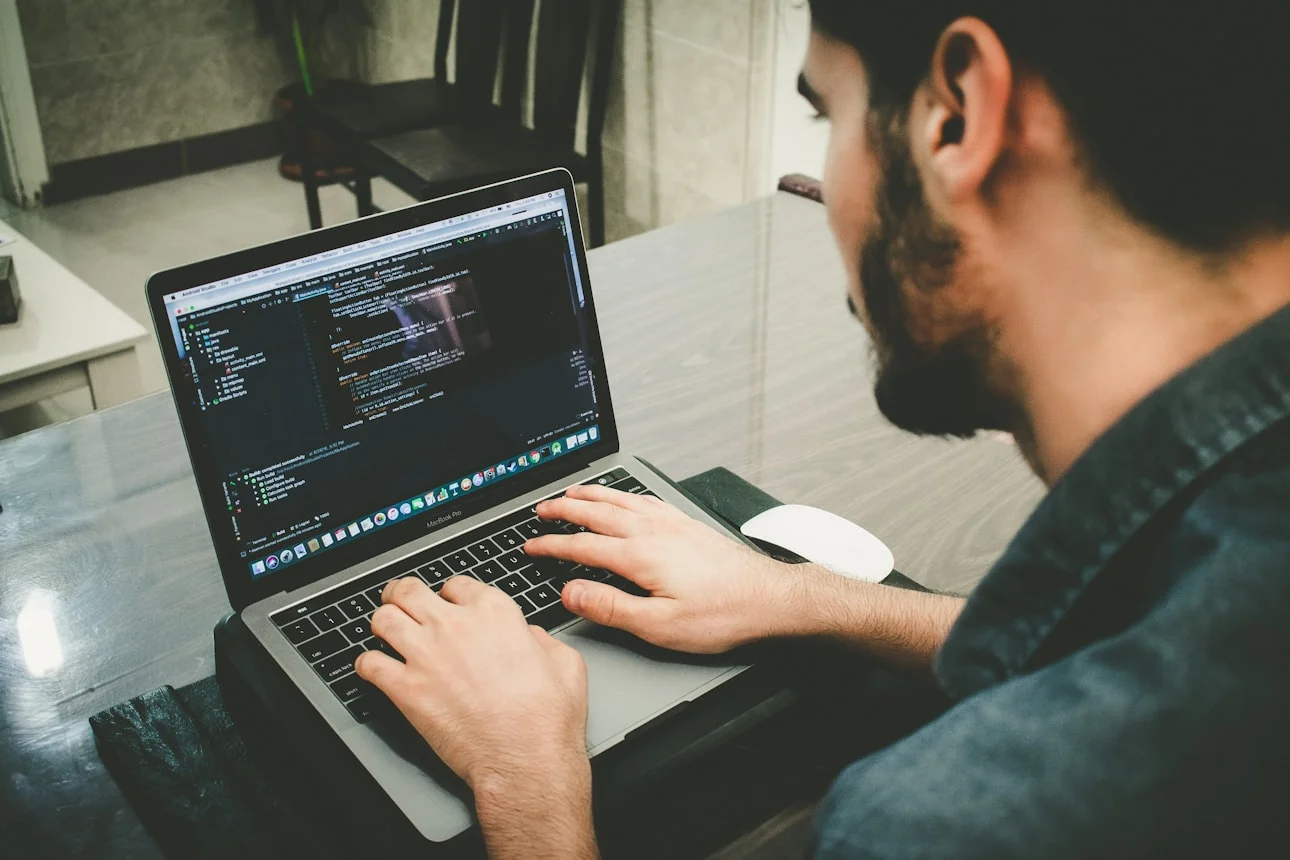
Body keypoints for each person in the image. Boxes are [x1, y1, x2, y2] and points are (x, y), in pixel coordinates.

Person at [354, 1, 1290, 856]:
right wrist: (793, 594)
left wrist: (524, 777)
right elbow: (1094, 628)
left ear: (957, 115)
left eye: (825, 116)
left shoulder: (945, 825)